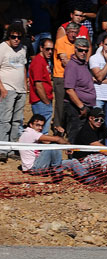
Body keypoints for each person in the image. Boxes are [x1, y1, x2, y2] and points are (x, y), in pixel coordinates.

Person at [19, 114, 92, 183]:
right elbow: (57, 140)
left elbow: (51, 141)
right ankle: (57, 171)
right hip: (34, 168)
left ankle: (90, 179)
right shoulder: (31, 133)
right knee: (54, 145)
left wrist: (59, 135)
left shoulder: (32, 134)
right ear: (31, 125)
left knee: (73, 162)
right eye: (37, 125)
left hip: (42, 164)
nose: (40, 128)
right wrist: (69, 146)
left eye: (42, 126)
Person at [0, 23, 28, 163]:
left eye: (19, 37)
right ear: (9, 36)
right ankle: (2, 149)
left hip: (20, 90)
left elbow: (23, 67)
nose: (16, 39)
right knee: (5, 120)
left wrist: (25, 86)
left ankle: (11, 148)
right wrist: (2, 88)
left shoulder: (23, 49)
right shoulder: (2, 48)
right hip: (7, 88)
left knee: (16, 121)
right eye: (13, 36)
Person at [63, 37, 96, 144]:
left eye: (85, 51)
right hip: (76, 107)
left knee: (83, 136)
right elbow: (69, 90)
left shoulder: (83, 64)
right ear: (75, 49)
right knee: (75, 134)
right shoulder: (72, 66)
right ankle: (72, 158)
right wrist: (81, 106)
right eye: (80, 50)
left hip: (86, 106)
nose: (83, 53)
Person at [53, 22, 80, 136]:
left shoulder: (77, 44)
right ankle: (57, 129)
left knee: (71, 104)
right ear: (67, 32)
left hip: (73, 77)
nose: (73, 35)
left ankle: (69, 129)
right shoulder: (61, 41)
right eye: (71, 32)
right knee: (60, 105)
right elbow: (64, 61)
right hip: (60, 76)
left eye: (75, 32)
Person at [29, 38, 54, 136]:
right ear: (41, 48)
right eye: (47, 49)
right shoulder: (38, 62)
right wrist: (46, 101)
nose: (50, 52)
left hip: (44, 100)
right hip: (40, 101)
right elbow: (38, 84)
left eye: (52, 49)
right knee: (41, 131)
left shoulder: (44, 61)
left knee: (42, 130)